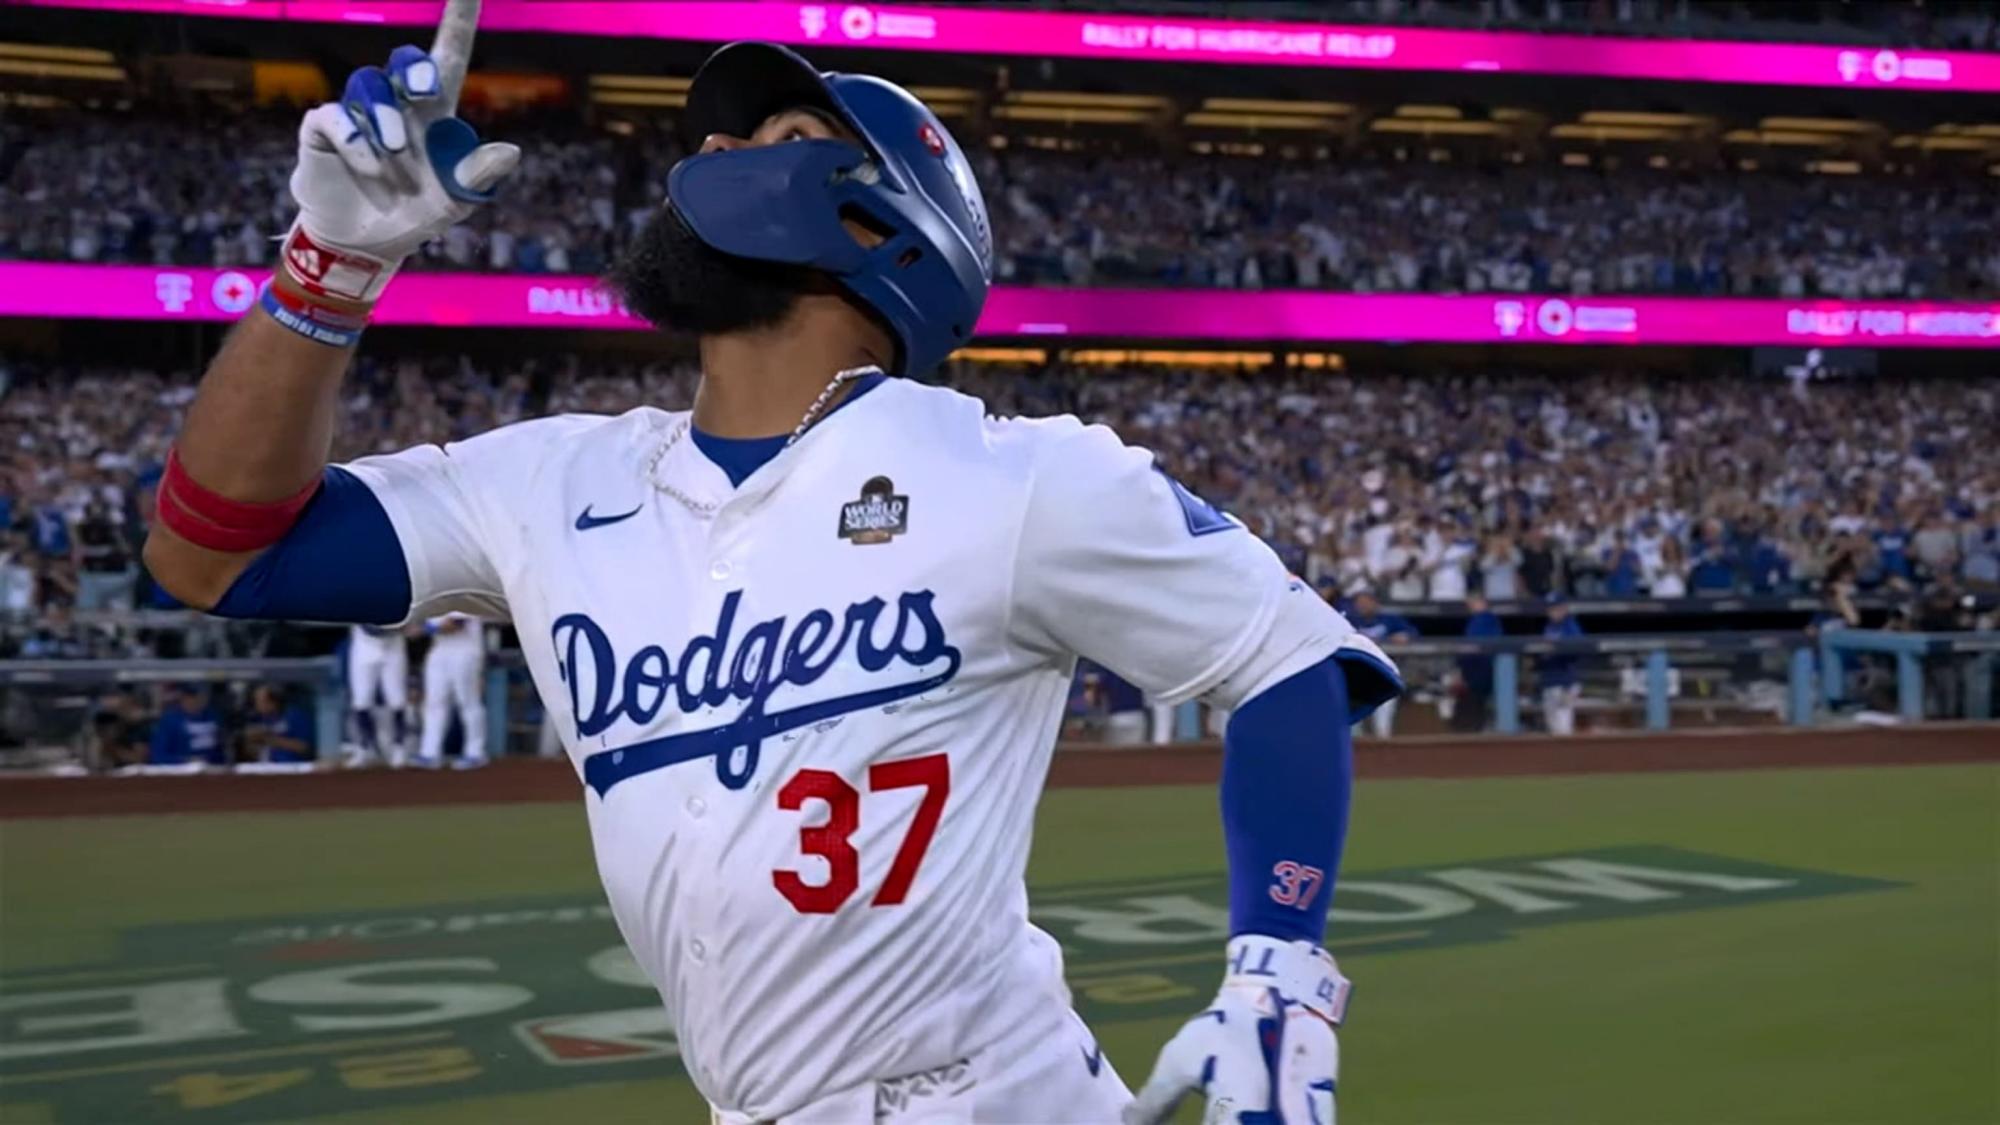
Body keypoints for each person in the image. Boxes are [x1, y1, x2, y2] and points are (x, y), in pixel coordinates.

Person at [140, 11, 1399, 1123]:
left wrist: (1278, 969)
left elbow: (1287, 661)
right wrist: (330, 263)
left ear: (878, 216)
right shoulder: (549, 480)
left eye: (773, 135)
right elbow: (213, 556)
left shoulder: (1019, 475)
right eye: (717, 137)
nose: (710, 152)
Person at [417, 611, 488, 769]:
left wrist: (424, 629)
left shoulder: (464, 596)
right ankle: (430, 753)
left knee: (468, 701)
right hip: (440, 649)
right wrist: (422, 627)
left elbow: (454, 625)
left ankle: (475, 752)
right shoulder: (433, 597)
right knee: (434, 702)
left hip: (465, 650)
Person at [1345, 589, 1417, 739]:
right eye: (1359, 603)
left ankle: (1383, 743)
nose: (1362, 605)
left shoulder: (1389, 619)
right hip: (1359, 676)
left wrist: (1404, 635)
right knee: (1355, 724)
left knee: (1383, 721)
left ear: (1375, 603)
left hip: (1385, 673)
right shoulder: (1349, 620)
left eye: (1366, 602)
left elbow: (1412, 632)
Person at [345, 624, 411, 767]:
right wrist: (401, 627)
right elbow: (370, 629)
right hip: (364, 647)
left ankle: (399, 748)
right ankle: (363, 748)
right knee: (361, 701)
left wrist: (408, 626)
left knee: (397, 700)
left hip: (394, 648)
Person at [1456, 592, 1504, 732]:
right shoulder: (1475, 620)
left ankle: (1483, 729)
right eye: (1470, 603)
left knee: (1479, 703)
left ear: (1483, 603)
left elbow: (1483, 645)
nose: (1471, 606)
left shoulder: (1488, 619)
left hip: (1483, 668)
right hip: (1474, 670)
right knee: (1475, 705)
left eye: (1474, 602)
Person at [1537, 593, 1584, 736]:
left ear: (1564, 608)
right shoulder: (1549, 626)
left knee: (1563, 727)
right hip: (1550, 680)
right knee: (1553, 728)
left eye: (1556, 608)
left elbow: (1577, 653)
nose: (1553, 612)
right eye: (1550, 608)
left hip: (1565, 681)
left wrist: (1555, 652)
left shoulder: (1571, 627)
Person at [148, 684, 225, 766]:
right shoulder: (170, 720)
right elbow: (158, 756)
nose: (193, 701)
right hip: (179, 770)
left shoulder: (213, 717)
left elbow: (221, 753)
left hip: (212, 769)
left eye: (196, 696)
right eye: (189, 697)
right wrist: (186, 760)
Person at [241, 683, 315, 763]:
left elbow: (304, 747)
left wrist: (268, 739)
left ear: (274, 702)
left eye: (260, 701)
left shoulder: (295, 716)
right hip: (264, 765)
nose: (257, 705)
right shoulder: (259, 718)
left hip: (289, 765)